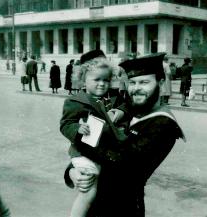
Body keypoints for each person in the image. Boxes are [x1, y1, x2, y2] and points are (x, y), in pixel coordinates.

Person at [65, 53, 185, 217]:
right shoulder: (131, 110)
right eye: (133, 82)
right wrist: (73, 171)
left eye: (144, 82)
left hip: (122, 208)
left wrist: (79, 150)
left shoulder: (163, 123)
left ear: (161, 83)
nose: (136, 88)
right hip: (96, 205)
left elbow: (121, 162)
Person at [60, 50, 127, 217]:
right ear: (83, 80)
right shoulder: (76, 101)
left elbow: (126, 108)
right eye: (97, 79)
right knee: (89, 192)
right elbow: (66, 124)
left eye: (106, 80)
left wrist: (119, 115)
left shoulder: (113, 98)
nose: (102, 84)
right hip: (85, 153)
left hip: (106, 156)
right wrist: (77, 129)